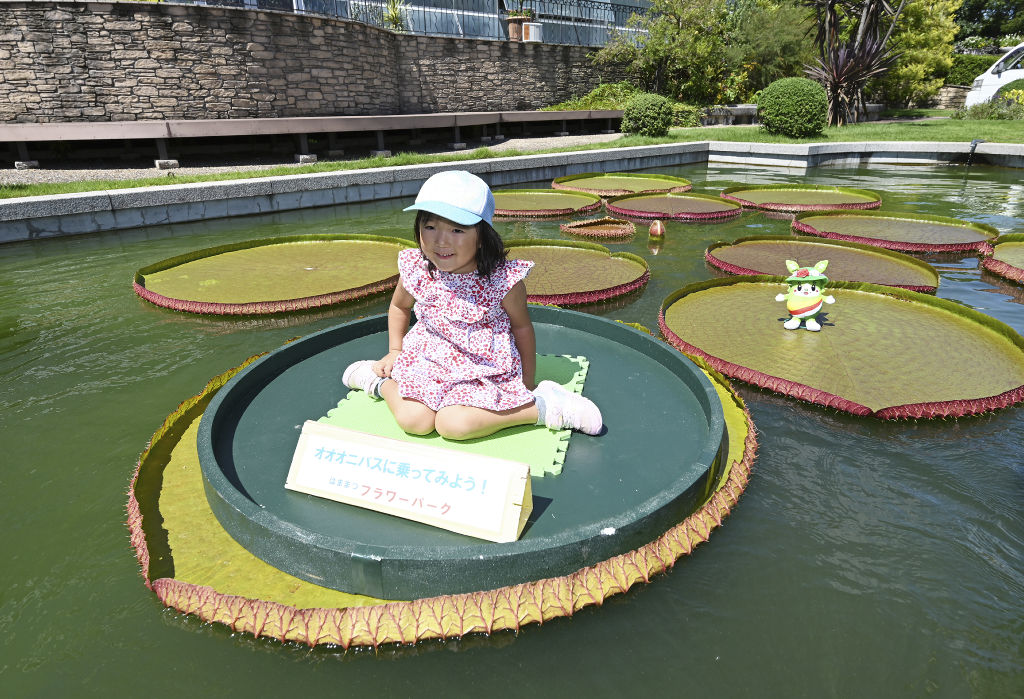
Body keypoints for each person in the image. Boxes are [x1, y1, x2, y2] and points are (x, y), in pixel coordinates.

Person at [342, 170, 602, 440]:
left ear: (482, 236)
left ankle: (545, 407)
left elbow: (522, 327)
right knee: (414, 421)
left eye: (457, 229)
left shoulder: (502, 281)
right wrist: (395, 350)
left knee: (454, 425)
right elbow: (399, 308)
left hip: (483, 367)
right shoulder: (418, 269)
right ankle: (380, 383)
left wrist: (527, 384)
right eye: (430, 226)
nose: (441, 241)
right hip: (428, 359)